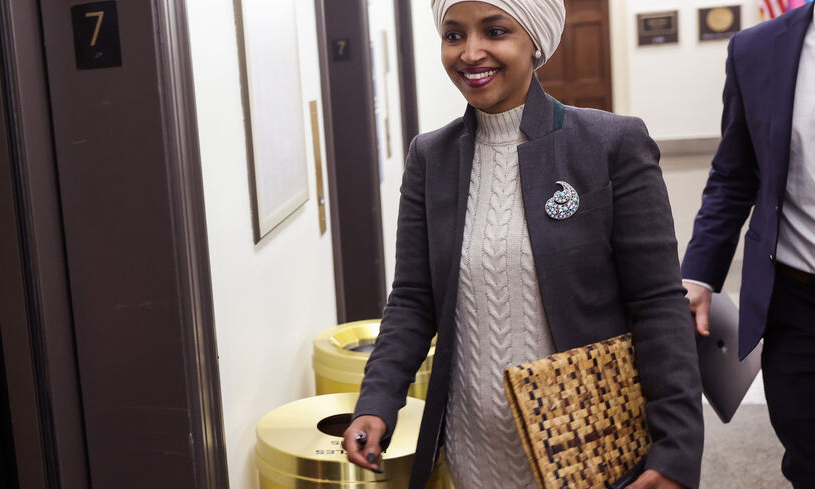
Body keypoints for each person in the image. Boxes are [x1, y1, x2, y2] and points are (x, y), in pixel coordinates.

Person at [343, 1, 704, 488]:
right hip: (474, 447)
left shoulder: (609, 145)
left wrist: (677, 447)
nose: (471, 53)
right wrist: (377, 400)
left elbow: (657, 303)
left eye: (495, 31)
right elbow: (412, 299)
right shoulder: (431, 157)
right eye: (454, 35)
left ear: (534, 40)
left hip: (589, 449)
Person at [681, 2, 815, 486]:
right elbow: (735, 175)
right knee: (807, 452)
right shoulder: (757, 49)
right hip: (798, 304)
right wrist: (699, 274)